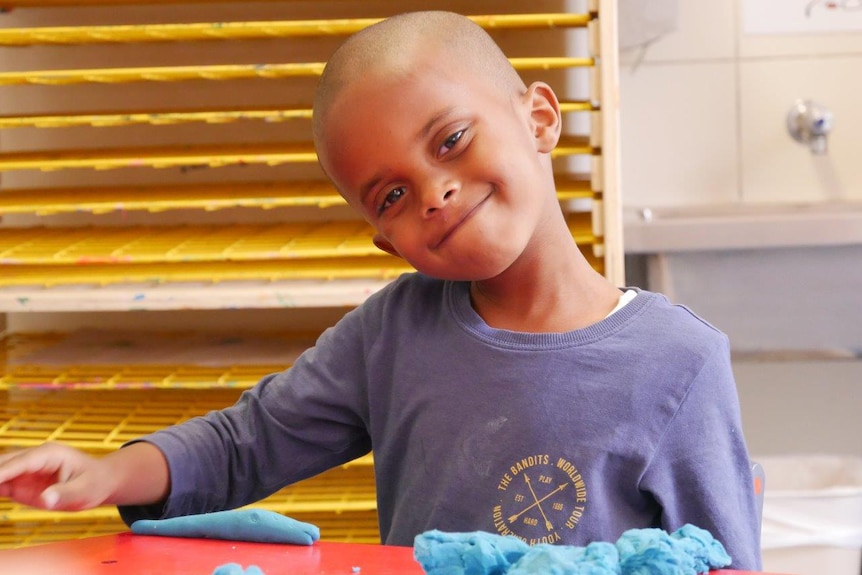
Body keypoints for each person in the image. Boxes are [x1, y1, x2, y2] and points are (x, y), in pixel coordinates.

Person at [0, 11, 761, 570]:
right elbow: (246, 442)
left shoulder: (680, 360)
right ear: (383, 238)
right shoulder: (391, 335)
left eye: (451, 140)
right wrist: (105, 473)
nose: (434, 192)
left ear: (538, 118)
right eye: (391, 195)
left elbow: (723, 557)